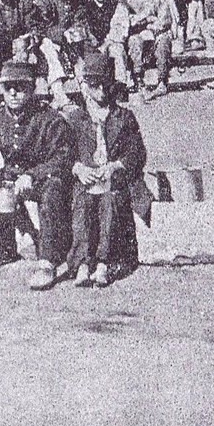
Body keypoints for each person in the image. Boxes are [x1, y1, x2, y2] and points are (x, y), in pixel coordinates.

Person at [0, 60, 77, 290]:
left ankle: (47, 261)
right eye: (8, 88)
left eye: (20, 87)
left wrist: (34, 175)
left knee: (54, 187)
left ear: (32, 88)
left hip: (40, 179)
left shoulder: (49, 118)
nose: (13, 93)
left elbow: (62, 157)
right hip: (9, 177)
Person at [65, 51, 150, 288]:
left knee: (110, 201)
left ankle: (103, 262)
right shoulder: (75, 119)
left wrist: (115, 166)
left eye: (105, 85)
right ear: (84, 87)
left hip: (116, 180)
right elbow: (64, 155)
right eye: (94, 86)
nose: (101, 91)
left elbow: (137, 153)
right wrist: (78, 168)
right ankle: (82, 263)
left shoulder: (124, 117)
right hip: (85, 180)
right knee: (81, 203)